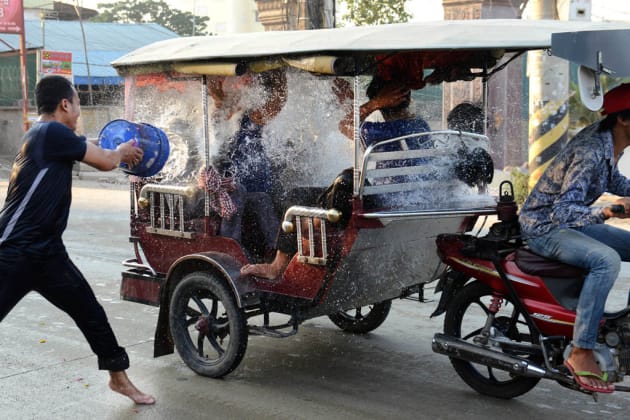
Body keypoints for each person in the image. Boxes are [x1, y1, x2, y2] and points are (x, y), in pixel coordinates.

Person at [0, 75, 155, 405]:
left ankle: (119, 379)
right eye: (78, 104)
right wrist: (123, 151)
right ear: (64, 104)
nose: (80, 111)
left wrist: (115, 148)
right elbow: (105, 161)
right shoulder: (51, 132)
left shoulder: (50, 136)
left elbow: (93, 147)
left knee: (91, 314)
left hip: (48, 255)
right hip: (14, 253)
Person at [242, 74, 431, 280]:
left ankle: (276, 267)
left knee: (297, 199)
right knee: (328, 188)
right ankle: (306, 233)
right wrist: (364, 102)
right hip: (398, 201)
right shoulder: (420, 126)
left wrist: (374, 103)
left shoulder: (377, 131)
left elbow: (345, 124)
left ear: (384, 101)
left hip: (377, 203)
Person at [518, 83, 630, 394]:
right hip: (544, 227)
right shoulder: (591, 151)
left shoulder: (611, 141)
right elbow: (563, 212)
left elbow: (612, 178)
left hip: (568, 222)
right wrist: (612, 211)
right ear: (624, 119)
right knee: (605, 261)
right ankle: (581, 350)